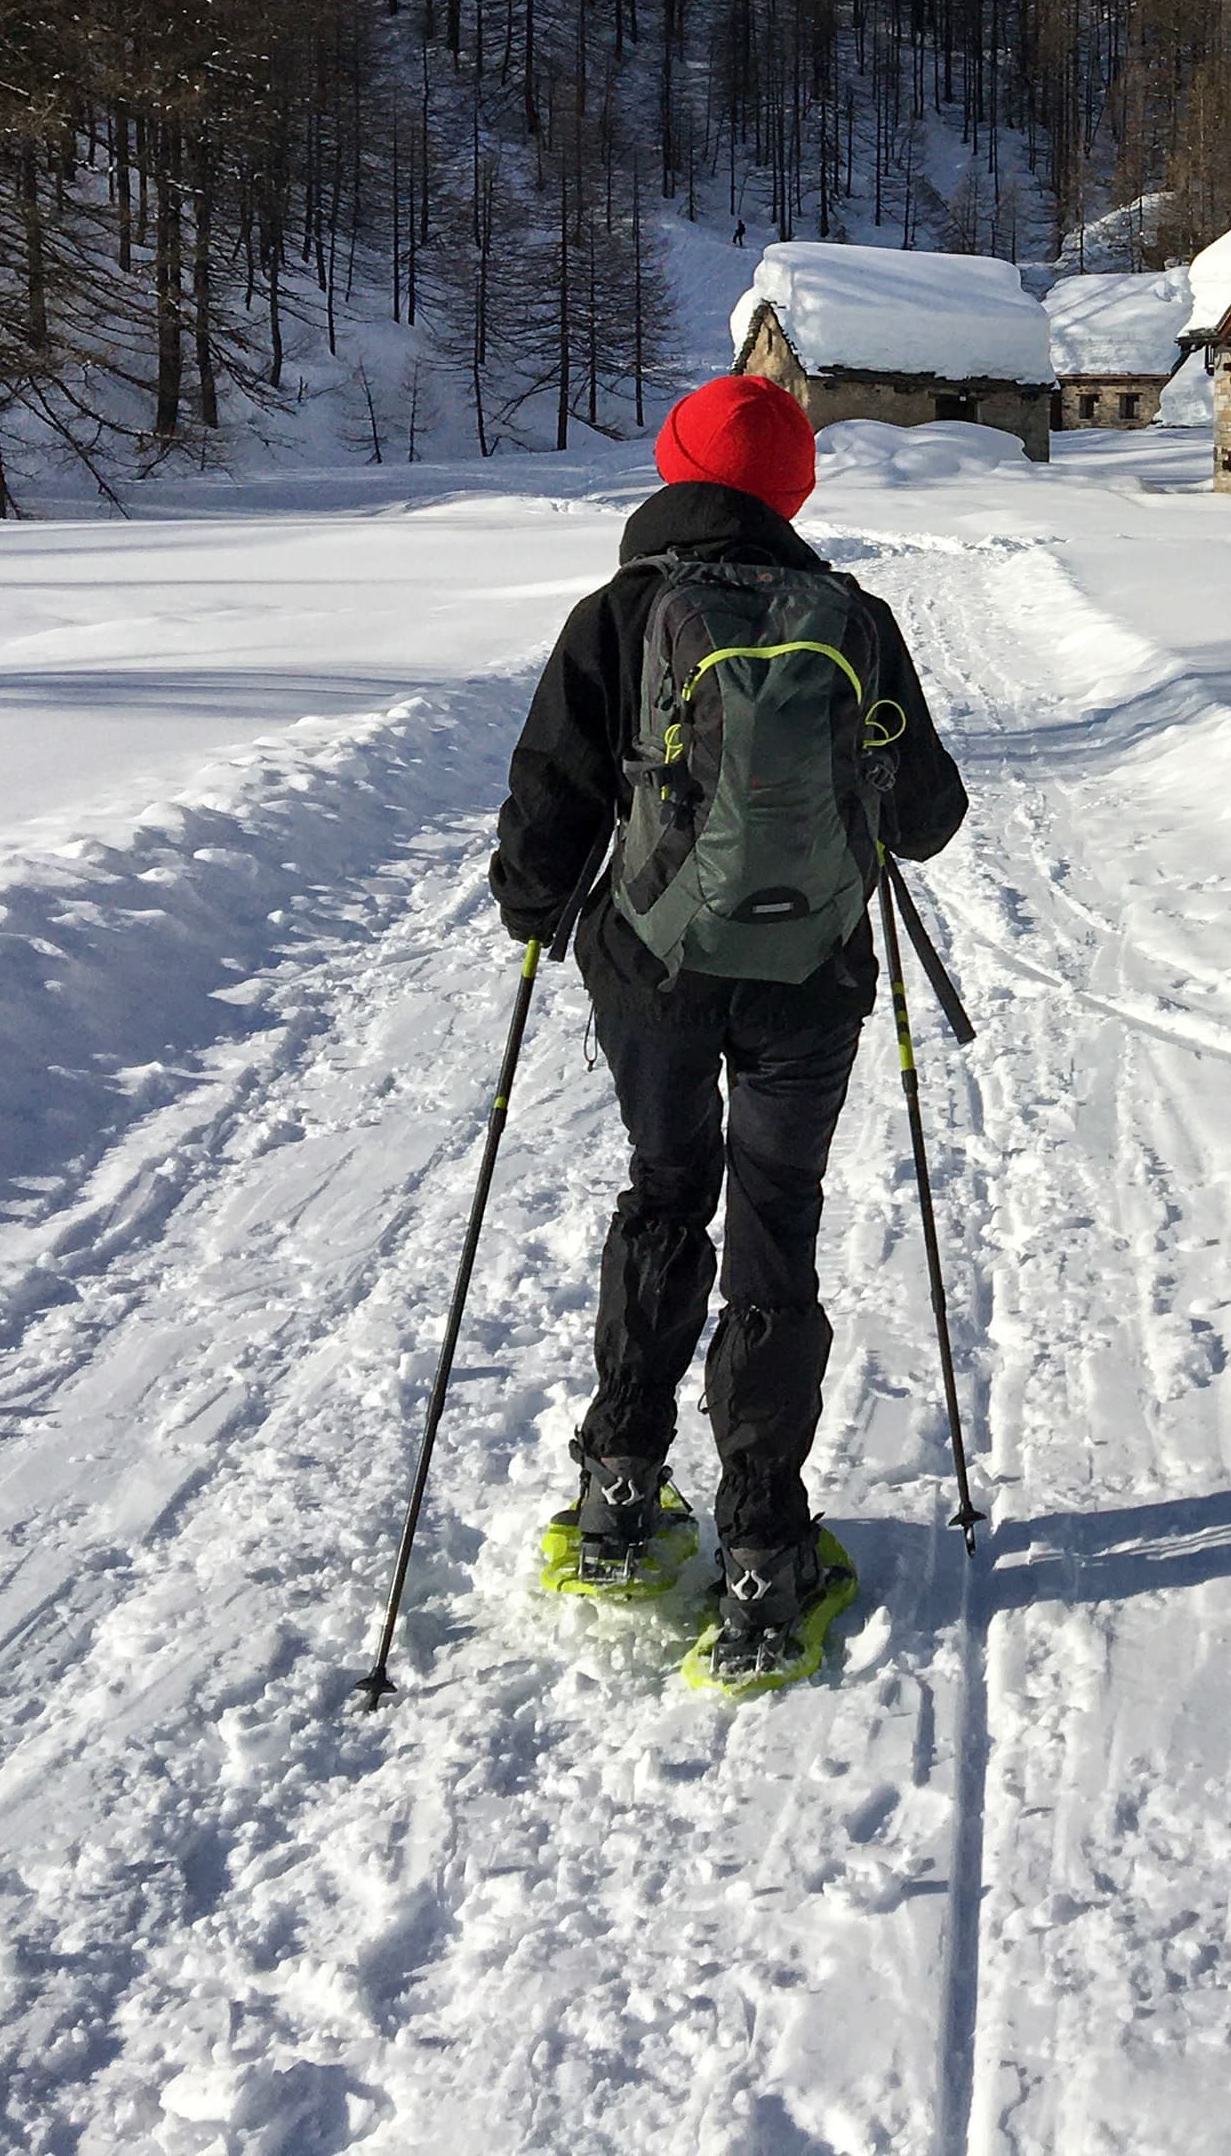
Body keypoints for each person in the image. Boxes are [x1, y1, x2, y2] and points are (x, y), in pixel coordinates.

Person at [489, 374, 966, 1679]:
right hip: (809, 975)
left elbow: (551, 803)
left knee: (665, 1187)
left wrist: (535, 909)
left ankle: (622, 1494)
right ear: (794, 491)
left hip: (650, 968)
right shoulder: (853, 620)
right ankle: (764, 1547)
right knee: (777, 1214)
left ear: (674, 473)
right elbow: (926, 817)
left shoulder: (621, 613)